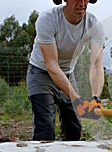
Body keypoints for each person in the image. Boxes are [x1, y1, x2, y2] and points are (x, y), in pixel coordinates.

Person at [26, 0, 105, 141]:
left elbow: (96, 65)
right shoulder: (48, 19)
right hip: (40, 73)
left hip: (67, 73)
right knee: (45, 126)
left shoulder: (94, 25)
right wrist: (77, 100)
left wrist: (95, 98)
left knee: (74, 127)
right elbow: (52, 65)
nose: (82, 3)